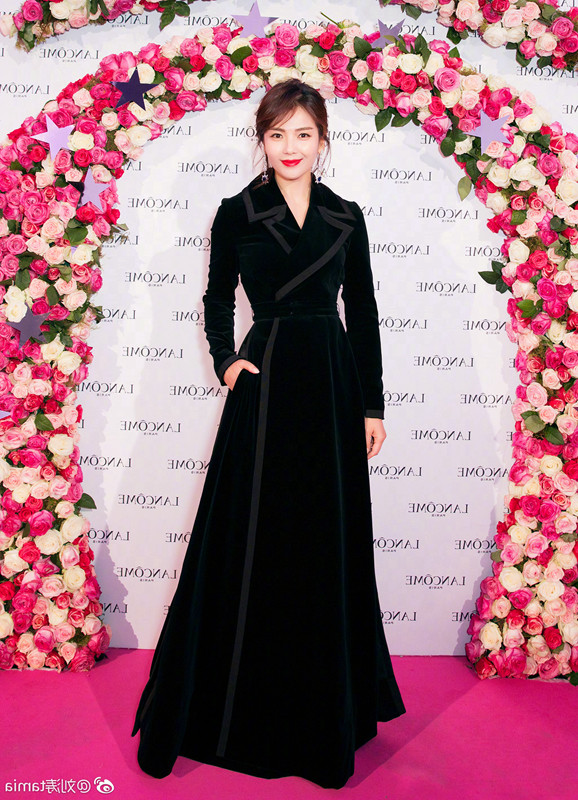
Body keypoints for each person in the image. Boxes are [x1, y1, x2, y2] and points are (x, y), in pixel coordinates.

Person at [131, 78, 405, 789]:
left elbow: (364, 311)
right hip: (268, 383)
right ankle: (234, 706)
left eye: (303, 134)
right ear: (262, 139)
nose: (290, 147)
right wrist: (226, 360)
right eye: (278, 134)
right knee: (251, 537)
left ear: (323, 140)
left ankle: (324, 714)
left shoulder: (347, 215)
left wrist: (372, 405)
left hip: (332, 386)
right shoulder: (238, 211)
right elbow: (216, 294)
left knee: (323, 540)